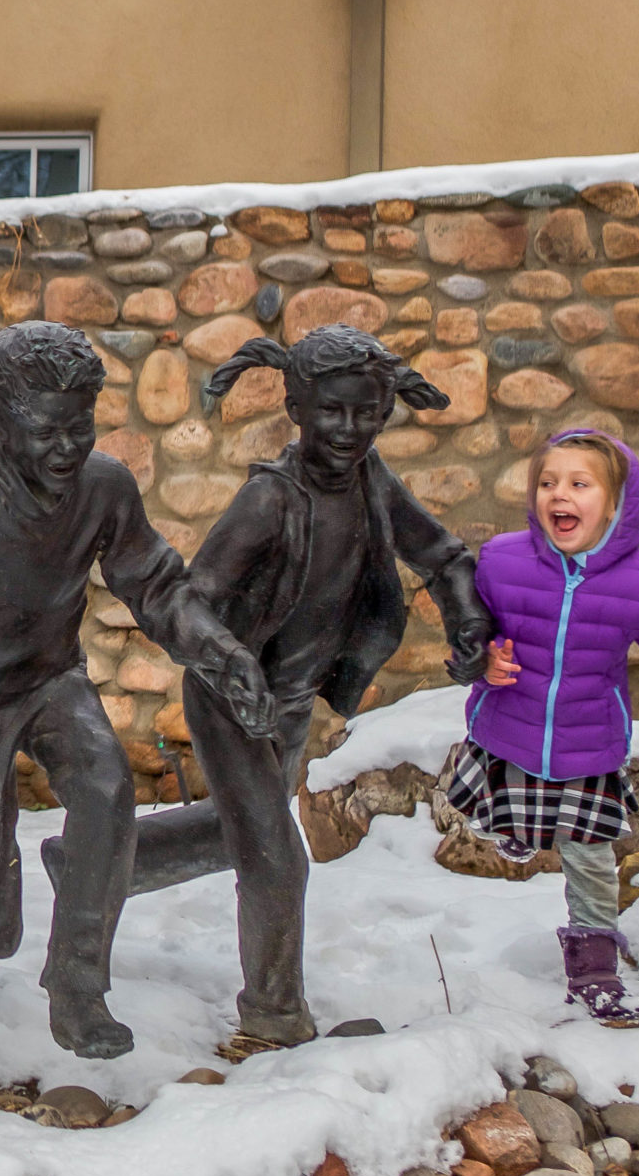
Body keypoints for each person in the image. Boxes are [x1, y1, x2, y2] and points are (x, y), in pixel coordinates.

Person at [0, 321, 273, 1058]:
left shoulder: (103, 487)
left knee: (108, 791)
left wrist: (222, 655)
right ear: (1, 421)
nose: (68, 446)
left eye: (82, 426)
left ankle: (77, 986)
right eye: (47, 430)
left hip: (51, 678)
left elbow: (158, 585)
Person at [53, 325, 497, 1052]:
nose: (350, 430)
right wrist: (231, 667)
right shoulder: (270, 499)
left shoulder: (369, 479)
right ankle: (273, 1017)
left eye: (368, 413)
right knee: (277, 854)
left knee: (240, 835)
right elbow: (194, 597)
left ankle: (91, 860)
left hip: (292, 703)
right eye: (333, 412)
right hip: (231, 695)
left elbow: (442, 554)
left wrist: (467, 621)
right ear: (297, 405)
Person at [441, 428, 639, 1029]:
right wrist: (482, 658)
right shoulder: (502, 560)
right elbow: (470, 629)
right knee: (498, 810)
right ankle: (519, 824)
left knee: (590, 856)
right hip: (507, 728)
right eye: (547, 483)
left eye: (578, 484)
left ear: (617, 504)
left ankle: (594, 965)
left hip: (589, 741)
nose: (558, 495)